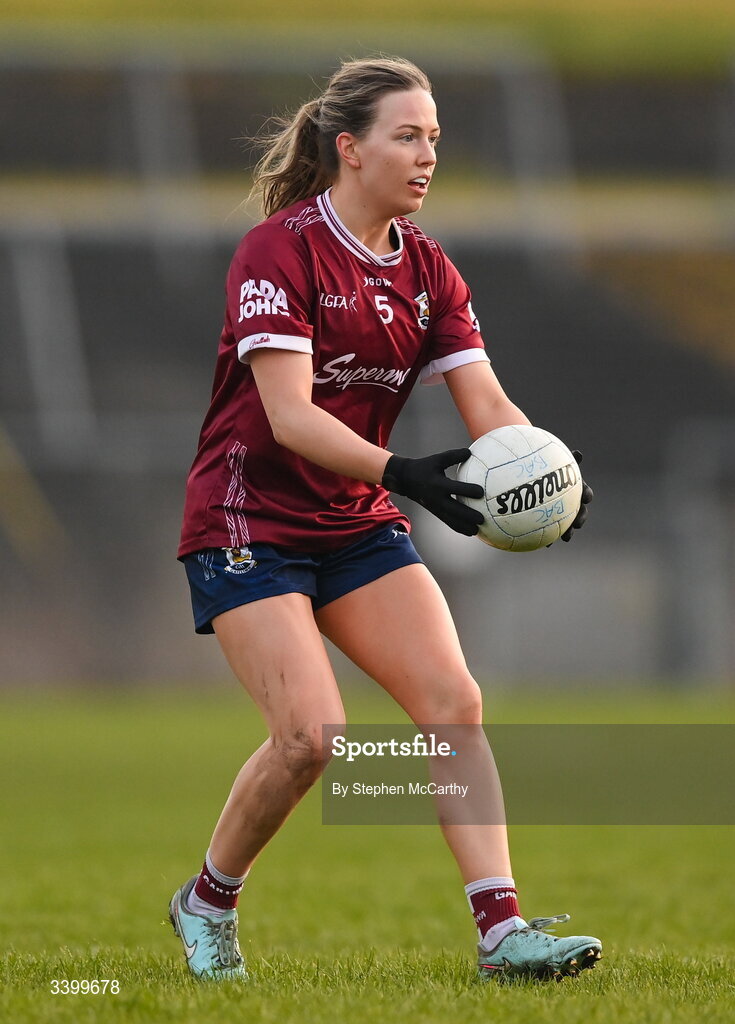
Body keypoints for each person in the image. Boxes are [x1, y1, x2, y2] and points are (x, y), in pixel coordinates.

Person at [169, 55, 600, 983]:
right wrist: (406, 471)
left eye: (435, 138)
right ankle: (208, 899)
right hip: (248, 520)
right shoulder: (278, 249)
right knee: (311, 738)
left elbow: (487, 407)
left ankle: (502, 933)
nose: (426, 155)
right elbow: (289, 416)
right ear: (348, 149)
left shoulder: (430, 270)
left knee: (454, 704)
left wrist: (549, 475)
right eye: (408, 136)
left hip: (352, 521)